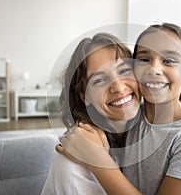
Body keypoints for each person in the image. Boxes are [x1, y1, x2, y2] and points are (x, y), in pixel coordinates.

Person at [57, 23, 181, 195]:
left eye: (169, 60)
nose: (154, 69)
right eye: (144, 59)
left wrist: (97, 159)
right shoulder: (129, 118)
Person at [41, 32, 141, 195]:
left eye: (124, 71)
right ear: (85, 97)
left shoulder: (149, 135)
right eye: (100, 80)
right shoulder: (73, 159)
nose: (118, 87)